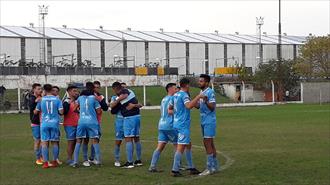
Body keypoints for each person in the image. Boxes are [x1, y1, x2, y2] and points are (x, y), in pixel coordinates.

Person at [170, 78, 204, 177]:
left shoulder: (175, 95)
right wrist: (198, 97)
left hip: (176, 123)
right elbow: (188, 106)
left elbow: (170, 108)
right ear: (187, 85)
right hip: (182, 125)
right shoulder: (184, 95)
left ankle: (191, 167)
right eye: (189, 85)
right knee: (181, 147)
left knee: (188, 145)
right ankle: (175, 170)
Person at [111, 82, 142, 168]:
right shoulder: (130, 92)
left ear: (115, 89)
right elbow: (112, 109)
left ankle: (130, 162)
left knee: (128, 139)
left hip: (129, 118)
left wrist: (117, 101)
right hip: (136, 117)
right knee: (136, 138)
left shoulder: (123, 93)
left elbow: (113, 106)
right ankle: (138, 160)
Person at [149, 83, 178, 172]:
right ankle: (177, 166)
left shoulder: (164, 99)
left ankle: (152, 166)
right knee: (177, 145)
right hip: (169, 125)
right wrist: (179, 112)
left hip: (161, 125)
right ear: (169, 89)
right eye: (175, 88)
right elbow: (170, 112)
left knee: (160, 146)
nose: (176, 90)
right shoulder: (172, 98)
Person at [71, 82, 102, 167]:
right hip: (92, 122)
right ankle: (98, 160)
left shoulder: (80, 98)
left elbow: (74, 109)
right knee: (95, 140)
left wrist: (81, 112)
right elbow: (99, 111)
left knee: (79, 141)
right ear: (93, 89)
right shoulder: (94, 98)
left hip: (82, 122)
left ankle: (76, 162)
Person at [34, 84, 63, 168]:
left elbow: (36, 112)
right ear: (51, 90)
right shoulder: (57, 100)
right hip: (54, 123)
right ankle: (54, 161)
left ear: (44, 90)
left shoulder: (41, 100)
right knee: (54, 143)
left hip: (44, 123)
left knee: (44, 143)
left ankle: (46, 163)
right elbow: (61, 112)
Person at [195, 74, 219, 176]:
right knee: (210, 143)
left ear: (206, 83)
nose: (199, 83)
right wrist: (193, 102)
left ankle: (209, 168)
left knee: (207, 143)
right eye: (199, 81)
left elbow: (212, 107)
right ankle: (215, 166)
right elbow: (199, 106)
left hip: (209, 120)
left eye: (201, 81)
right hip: (203, 120)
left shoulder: (210, 92)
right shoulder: (201, 92)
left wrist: (205, 101)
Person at [62, 85, 79, 165]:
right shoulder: (66, 101)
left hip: (78, 124)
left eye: (77, 91)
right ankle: (69, 159)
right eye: (74, 91)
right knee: (71, 142)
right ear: (69, 92)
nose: (76, 92)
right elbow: (63, 112)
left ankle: (74, 158)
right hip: (69, 124)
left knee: (76, 142)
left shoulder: (78, 101)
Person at [29, 83, 43, 165]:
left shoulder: (41, 98)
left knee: (43, 141)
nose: (40, 90)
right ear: (34, 89)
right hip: (35, 122)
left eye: (40, 89)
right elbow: (31, 108)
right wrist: (35, 101)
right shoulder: (32, 98)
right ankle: (38, 158)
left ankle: (41, 156)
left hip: (43, 122)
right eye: (38, 89)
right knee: (37, 141)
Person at [51, 85, 62, 165]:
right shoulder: (45, 99)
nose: (55, 92)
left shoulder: (58, 100)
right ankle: (45, 159)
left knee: (56, 141)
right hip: (50, 123)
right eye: (53, 90)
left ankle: (56, 158)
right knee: (46, 142)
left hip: (55, 123)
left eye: (56, 91)